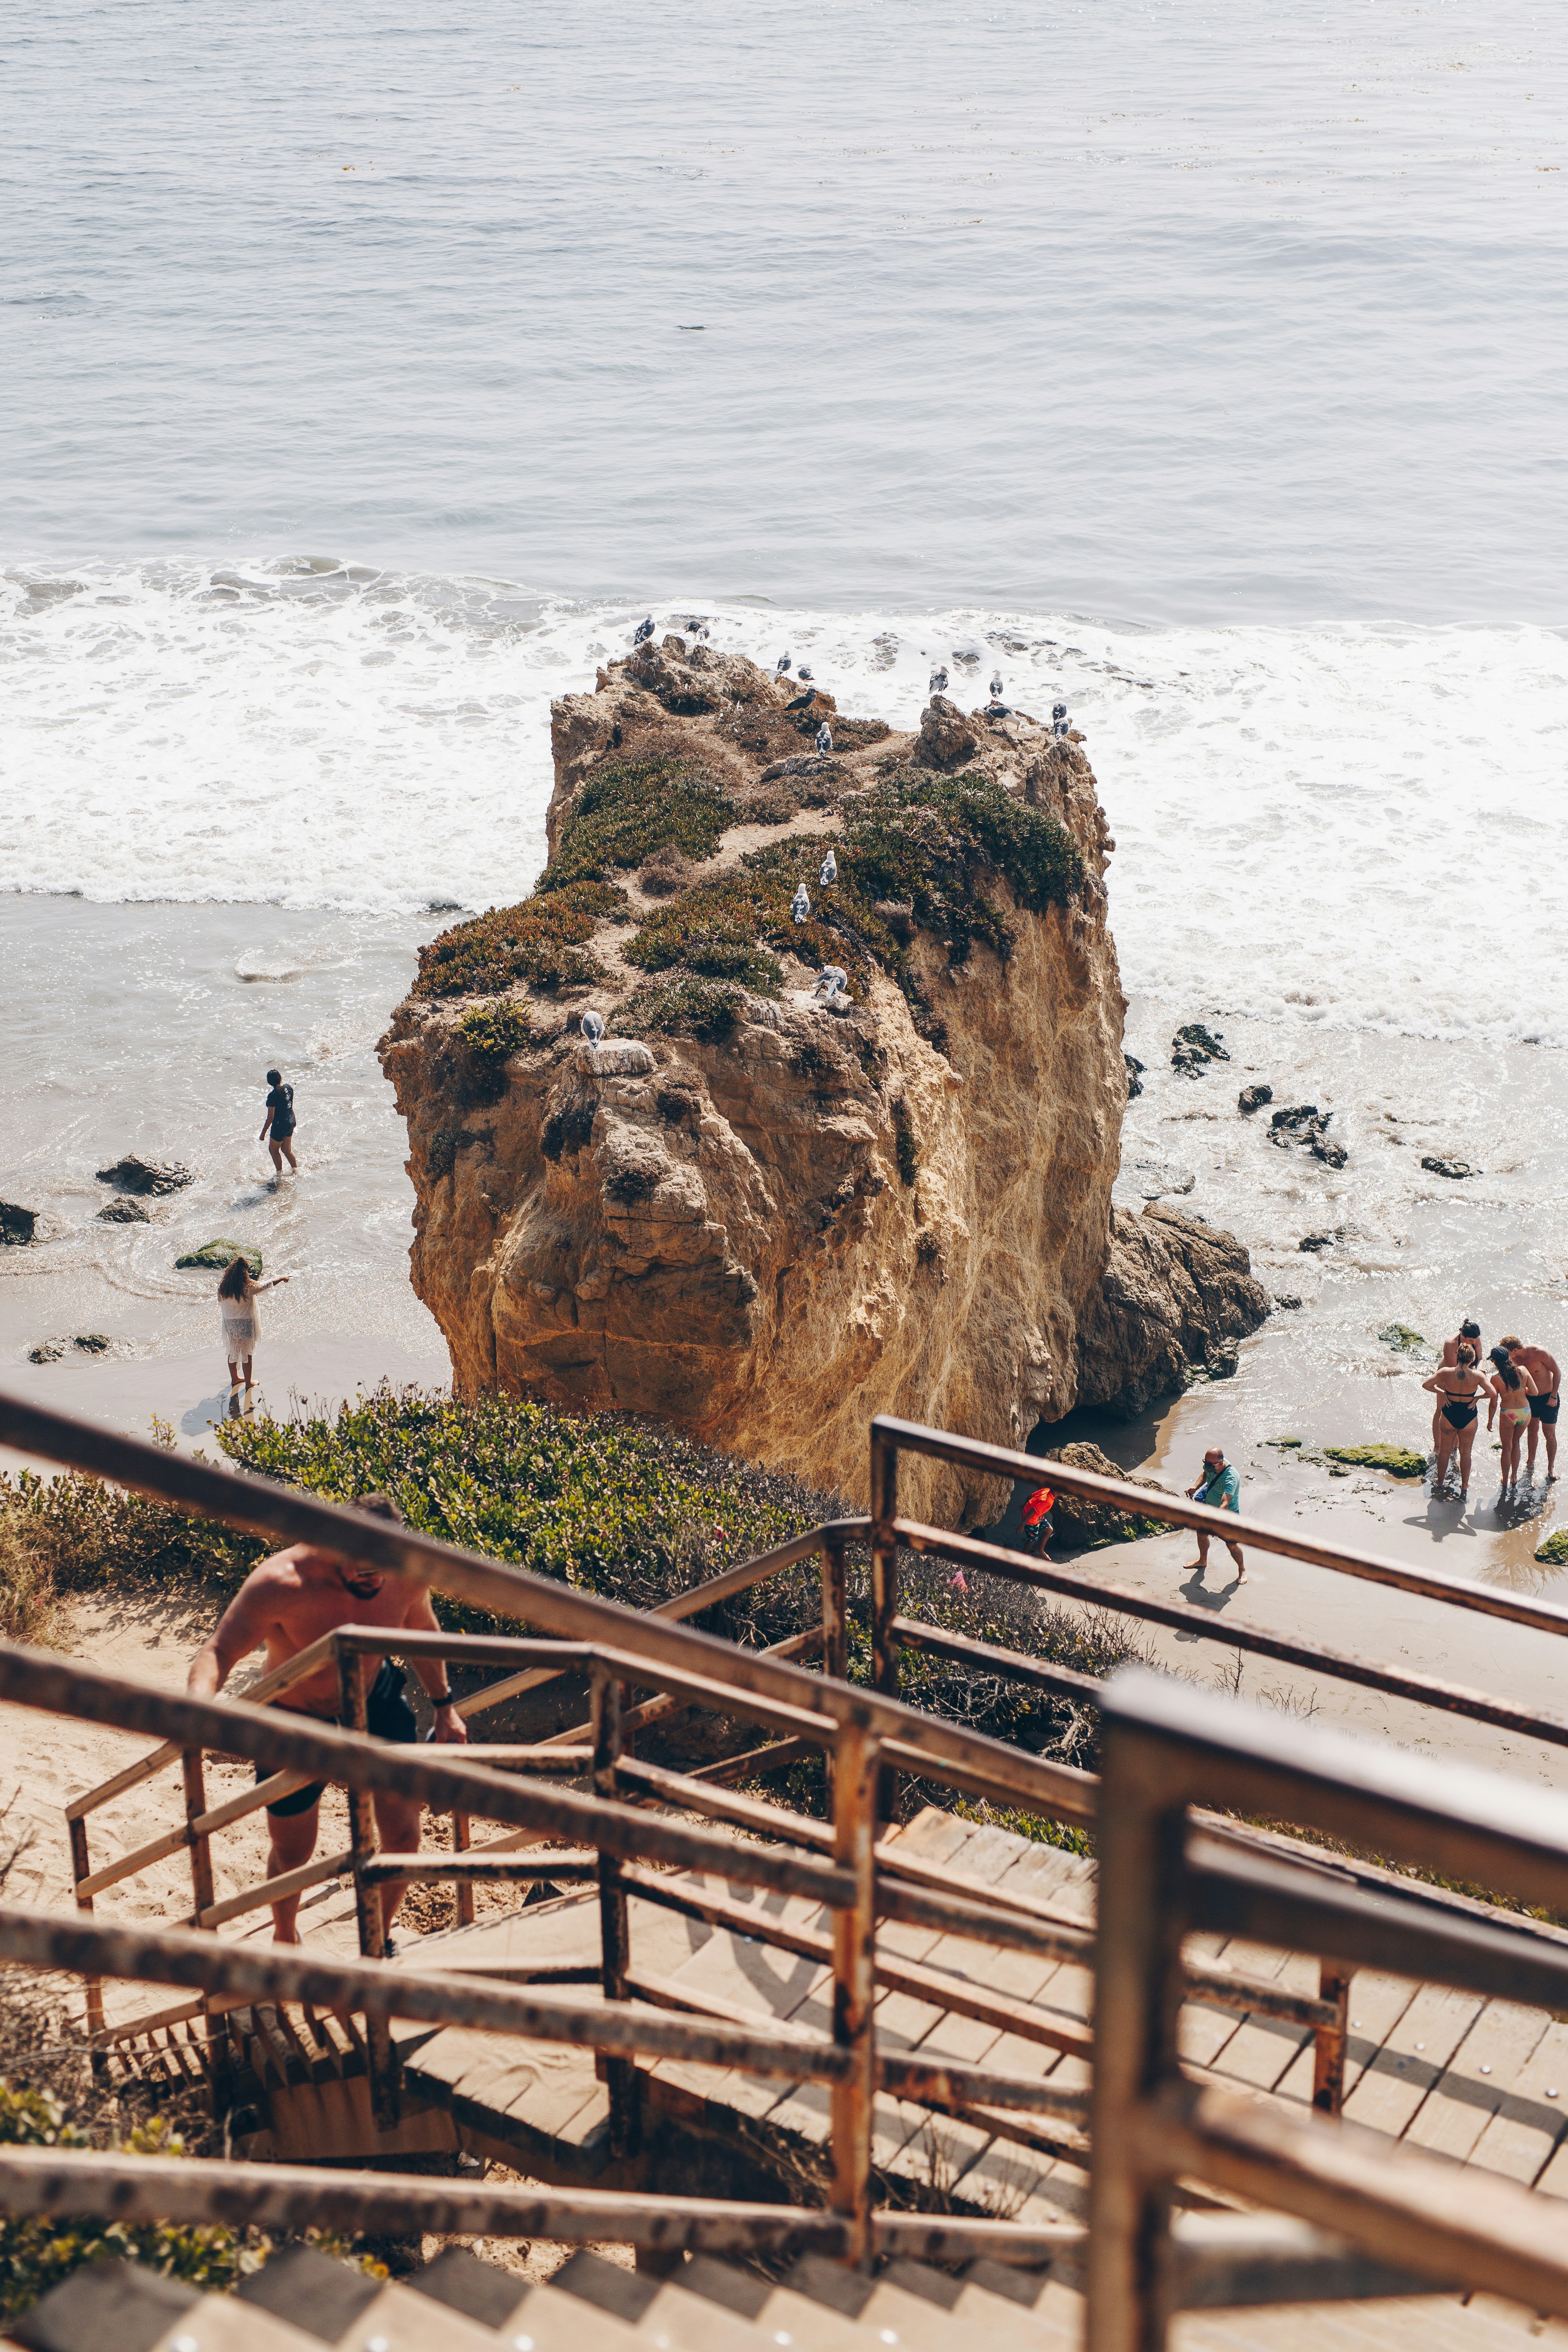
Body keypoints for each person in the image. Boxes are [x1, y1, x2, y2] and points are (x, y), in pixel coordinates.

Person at [186, 1493, 466, 1944]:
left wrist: (445, 1708)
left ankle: (378, 1938)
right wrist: (196, 1707)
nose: (375, 1579)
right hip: (294, 1713)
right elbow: (219, 1651)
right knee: (294, 1850)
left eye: (383, 1567)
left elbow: (422, 1630)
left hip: (374, 1697)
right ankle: (285, 1936)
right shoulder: (281, 1582)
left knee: (404, 1835)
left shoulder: (405, 1573)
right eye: (363, 1569)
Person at [1422, 1343, 1487, 1498]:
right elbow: (1491, 1393)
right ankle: (1464, 1486)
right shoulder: (1478, 1376)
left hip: (1449, 1414)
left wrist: (1443, 1393)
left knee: (1445, 1451)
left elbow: (1426, 1385)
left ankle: (1440, 1482)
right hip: (1469, 1416)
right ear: (1472, 1359)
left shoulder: (1446, 1372)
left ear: (1457, 1356)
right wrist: (1477, 1398)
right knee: (1466, 1453)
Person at [217, 1256, 289, 1395]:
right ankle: (248, 1383)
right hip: (245, 1324)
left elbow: (221, 1301)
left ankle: (235, 1379)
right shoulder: (248, 1288)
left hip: (230, 1324)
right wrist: (282, 1278)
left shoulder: (223, 1288)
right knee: (247, 1354)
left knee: (233, 1351)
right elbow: (266, 1284)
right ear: (244, 1273)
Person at [1502, 1336, 1561, 1482]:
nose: (1506, 1356)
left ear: (1514, 1350)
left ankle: (1551, 1467)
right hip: (1530, 1399)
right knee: (1532, 1431)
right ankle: (1531, 1461)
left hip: (1548, 1398)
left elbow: (1557, 1372)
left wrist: (1554, 1395)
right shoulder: (1514, 1360)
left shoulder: (1540, 1353)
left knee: (1549, 1434)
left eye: (1507, 1352)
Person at [1186, 1447, 1245, 1584]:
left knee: (1231, 1545)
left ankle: (1242, 1569)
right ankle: (1203, 1561)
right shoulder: (1211, 1464)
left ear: (1220, 1463)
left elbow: (1225, 1503)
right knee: (1201, 1533)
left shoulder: (1231, 1478)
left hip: (1227, 1514)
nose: (1207, 1465)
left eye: (1210, 1464)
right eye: (1205, 1462)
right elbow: (1205, 1474)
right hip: (1209, 1504)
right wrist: (1195, 1487)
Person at [1486, 1346, 1538, 1492]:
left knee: (1507, 1448)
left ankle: (1505, 1480)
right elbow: (1535, 1392)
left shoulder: (1496, 1379)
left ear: (1495, 1362)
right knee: (1516, 1443)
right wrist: (1522, 1390)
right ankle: (1514, 1477)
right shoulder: (1523, 1371)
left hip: (1509, 1414)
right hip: (1525, 1412)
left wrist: (1490, 1421)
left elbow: (1494, 1403)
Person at [1433, 1320, 1483, 1453]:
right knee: (1442, 1410)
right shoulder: (1451, 1343)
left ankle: (1455, 1446)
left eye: (1475, 1340)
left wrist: (1479, 1372)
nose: (1474, 1343)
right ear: (1463, 1336)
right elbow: (1454, 1370)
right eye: (1471, 1341)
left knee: (1460, 1410)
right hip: (1447, 1377)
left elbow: (1480, 1359)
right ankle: (1437, 1447)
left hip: (1467, 1374)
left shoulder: (1475, 1338)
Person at [261, 1067, 298, 1175]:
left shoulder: (272, 1096)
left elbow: (270, 1118)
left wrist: (263, 1134)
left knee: (273, 1150)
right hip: (291, 1121)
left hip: (281, 1126)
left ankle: (279, 1174)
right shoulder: (288, 1088)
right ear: (280, 1078)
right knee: (287, 1150)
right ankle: (296, 1171)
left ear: (269, 1082)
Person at [1020, 1485, 1055, 1557]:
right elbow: (1033, 1511)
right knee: (1033, 1539)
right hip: (1031, 1520)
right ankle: (1023, 1555)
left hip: (1036, 1516)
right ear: (1057, 1491)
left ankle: (1040, 1550)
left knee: (1049, 1530)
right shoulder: (1048, 1501)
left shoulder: (1047, 1490)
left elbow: (1030, 1496)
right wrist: (1022, 1525)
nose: (1065, 1492)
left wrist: (1025, 1505)